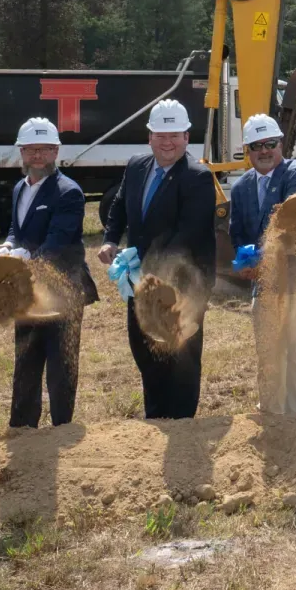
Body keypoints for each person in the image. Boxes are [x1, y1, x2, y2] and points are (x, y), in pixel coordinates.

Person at [97, 99, 216, 420]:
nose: (167, 142)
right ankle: (156, 415)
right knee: (145, 347)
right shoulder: (137, 166)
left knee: (181, 354)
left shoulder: (198, 177)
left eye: (174, 135)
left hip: (183, 284)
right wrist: (110, 240)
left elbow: (188, 234)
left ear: (186, 137)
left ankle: (181, 421)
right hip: (140, 278)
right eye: (161, 135)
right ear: (149, 137)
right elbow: (120, 206)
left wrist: (149, 267)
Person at [229, 114, 296, 414]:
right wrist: (243, 260)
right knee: (269, 350)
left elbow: (294, 226)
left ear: (281, 144)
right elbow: (237, 233)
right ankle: (272, 413)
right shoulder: (241, 188)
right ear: (247, 150)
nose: (264, 151)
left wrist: (260, 256)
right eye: (257, 146)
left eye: (270, 144)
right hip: (266, 283)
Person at [0, 117, 99, 428]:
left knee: (61, 363)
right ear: (21, 152)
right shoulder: (19, 187)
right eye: (31, 150)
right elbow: (17, 228)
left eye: (44, 150)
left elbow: (57, 241)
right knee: (26, 358)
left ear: (56, 151)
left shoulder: (68, 192)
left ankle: (61, 427)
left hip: (63, 290)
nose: (37, 156)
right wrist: (8, 246)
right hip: (28, 291)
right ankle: (23, 427)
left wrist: (22, 260)